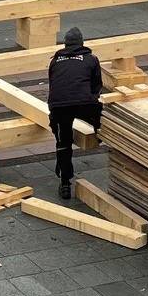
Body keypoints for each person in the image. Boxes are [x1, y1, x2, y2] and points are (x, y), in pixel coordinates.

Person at [47, 27, 104, 199]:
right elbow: (97, 86)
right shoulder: (91, 59)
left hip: (58, 106)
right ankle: (101, 133)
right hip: (83, 103)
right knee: (100, 115)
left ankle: (65, 183)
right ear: (82, 43)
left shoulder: (55, 61)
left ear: (65, 44)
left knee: (63, 143)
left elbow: (53, 85)